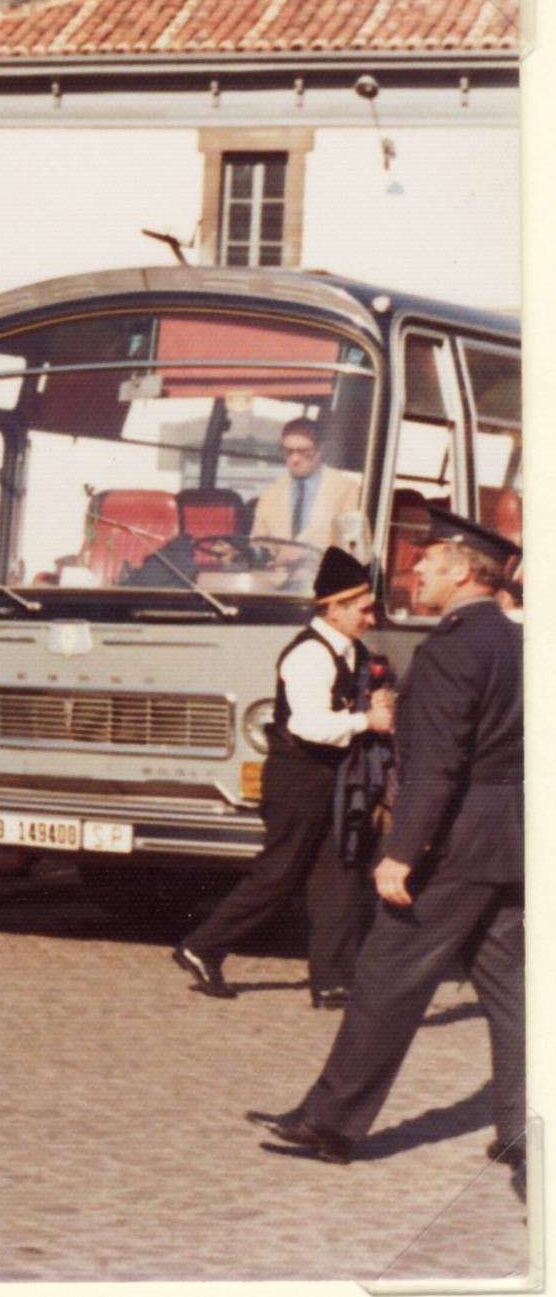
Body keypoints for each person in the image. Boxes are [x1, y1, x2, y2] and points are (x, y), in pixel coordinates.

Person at [249, 509, 523, 1172]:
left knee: (383, 974)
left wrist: (400, 851)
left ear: (462, 570)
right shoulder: (517, 643)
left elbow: (436, 765)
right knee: (514, 990)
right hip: (510, 842)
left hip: (451, 845)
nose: (415, 569)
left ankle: (329, 1122)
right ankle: (524, 1127)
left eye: (427, 559)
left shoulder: (451, 648)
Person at [173, 548, 390, 1007]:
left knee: (340, 876)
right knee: (280, 874)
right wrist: (365, 722)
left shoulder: (351, 650)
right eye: (363, 608)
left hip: (333, 779)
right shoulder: (309, 655)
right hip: (298, 778)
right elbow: (307, 726)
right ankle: (201, 946)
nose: (372, 617)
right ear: (333, 607)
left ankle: (333, 983)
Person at [249, 417, 364, 554]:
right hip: (275, 574)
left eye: (304, 452)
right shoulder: (270, 493)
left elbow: (355, 550)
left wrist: (305, 554)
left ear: (321, 449)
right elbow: (258, 544)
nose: (294, 459)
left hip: (325, 574)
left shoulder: (346, 489)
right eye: (288, 452)